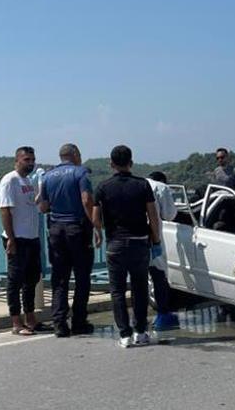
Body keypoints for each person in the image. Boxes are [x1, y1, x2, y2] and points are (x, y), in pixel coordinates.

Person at [93, 145, 162, 348]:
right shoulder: (142, 185)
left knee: (117, 291)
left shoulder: (103, 187)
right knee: (139, 289)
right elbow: (153, 216)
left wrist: (99, 233)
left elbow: (96, 219)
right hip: (139, 243)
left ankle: (124, 334)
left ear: (111, 164)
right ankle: (140, 331)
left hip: (115, 244)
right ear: (131, 163)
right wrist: (156, 240)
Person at [39, 144, 95, 338]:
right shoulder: (81, 173)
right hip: (77, 229)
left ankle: (59, 323)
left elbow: (43, 206)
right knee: (82, 277)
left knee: (59, 278)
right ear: (75, 155)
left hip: (55, 230)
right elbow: (87, 200)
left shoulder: (47, 176)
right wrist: (95, 225)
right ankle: (79, 322)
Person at [0, 146, 42, 336]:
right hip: (17, 238)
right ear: (17, 160)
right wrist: (11, 238)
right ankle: (16, 322)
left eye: (32, 159)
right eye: (26, 160)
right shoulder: (10, 180)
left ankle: (30, 319)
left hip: (32, 237)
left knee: (31, 280)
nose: (30, 163)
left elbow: (35, 204)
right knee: (15, 281)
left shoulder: (29, 181)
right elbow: (5, 210)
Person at [146, 171, 179, 330]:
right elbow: (170, 215)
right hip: (153, 238)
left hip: (128, 240)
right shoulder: (161, 187)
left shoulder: (136, 184)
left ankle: (138, 321)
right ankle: (163, 316)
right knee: (159, 276)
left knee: (138, 280)